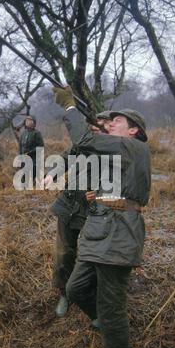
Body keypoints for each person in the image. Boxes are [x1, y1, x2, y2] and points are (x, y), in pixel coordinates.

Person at [53, 86, 151, 348]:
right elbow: (85, 152)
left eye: (116, 122)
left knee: (112, 304)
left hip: (119, 233)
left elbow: (84, 139)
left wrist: (70, 106)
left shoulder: (131, 146)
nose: (110, 124)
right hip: (102, 227)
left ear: (133, 130)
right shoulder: (120, 152)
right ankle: (105, 322)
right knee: (75, 289)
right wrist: (104, 196)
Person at [44, 112, 112, 318]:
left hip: (94, 209)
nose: (93, 127)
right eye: (92, 124)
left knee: (94, 254)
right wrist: (52, 173)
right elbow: (67, 157)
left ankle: (93, 292)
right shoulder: (82, 144)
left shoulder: (113, 148)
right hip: (69, 203)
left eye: (98, 125)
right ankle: (65, 293)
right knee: (64, 253)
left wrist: (100, 195)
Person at [19, 115, 44, 184]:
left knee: (31, 178)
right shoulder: (23, 133)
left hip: (34, 160)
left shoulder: (37, 133)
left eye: (29, 120)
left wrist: (29, 153)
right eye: (26, 120)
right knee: (23, 178)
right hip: (24, 160)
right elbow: (20, 147)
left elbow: (40, 147)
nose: (27, 121)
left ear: (33, 122)